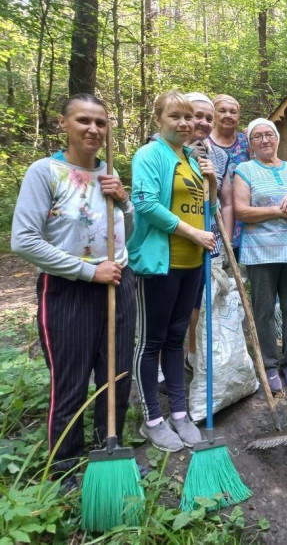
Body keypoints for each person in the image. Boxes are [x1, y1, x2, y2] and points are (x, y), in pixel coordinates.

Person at [11, 94, 135, 490]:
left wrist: (125, 202)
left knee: (116, 377)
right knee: (71, 380)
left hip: (119, 280)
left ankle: (108, 454)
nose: (94, 129)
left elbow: (122, 234)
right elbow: (24, 241)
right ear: (62, 124)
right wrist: (87, 271)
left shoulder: (110, 173)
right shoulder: (45, 172)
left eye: (101, 122)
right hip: (68, 289)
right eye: (84, 120)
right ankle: (65, 468)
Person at [129, 90, 218, 452]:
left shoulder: (193, 160)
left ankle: (179, 413)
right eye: (175, 117)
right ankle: (153, 419)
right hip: (159, 263)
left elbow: (205, 210)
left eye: (188, 117)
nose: (184, 123)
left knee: (177, 337)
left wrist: (210, 181)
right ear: (159, 119)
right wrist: (193, 232)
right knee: (152, 341)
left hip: (192, 262)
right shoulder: (150, 154)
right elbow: (145, 203)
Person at [233, 118, 287, 392]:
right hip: (261, 253)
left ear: (277, 138)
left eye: (269, 135)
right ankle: (269, 365)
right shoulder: (244, 170)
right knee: (264, 310)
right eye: (257, 136)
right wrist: (279, 211)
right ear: (250, 143)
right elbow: (241, 211)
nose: (264, 140)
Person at [184, 92, 233, 366]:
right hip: (176, 238)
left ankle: (193, 355)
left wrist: (224, 242)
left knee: (199, 304)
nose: (202, 122)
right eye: (196, 116)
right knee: (173, 306)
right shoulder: (166, 150)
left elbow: (218, 202)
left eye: (207, 118)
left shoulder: (220, 156)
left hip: (209, 236)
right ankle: (161, 366)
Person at [210, 94, 249, 254]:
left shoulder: (246, 142)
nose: (228, 115)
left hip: (244, 215)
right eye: (222, 111)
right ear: (213, 114)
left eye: (233, 112)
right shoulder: (203, 142)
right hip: (214, 214)